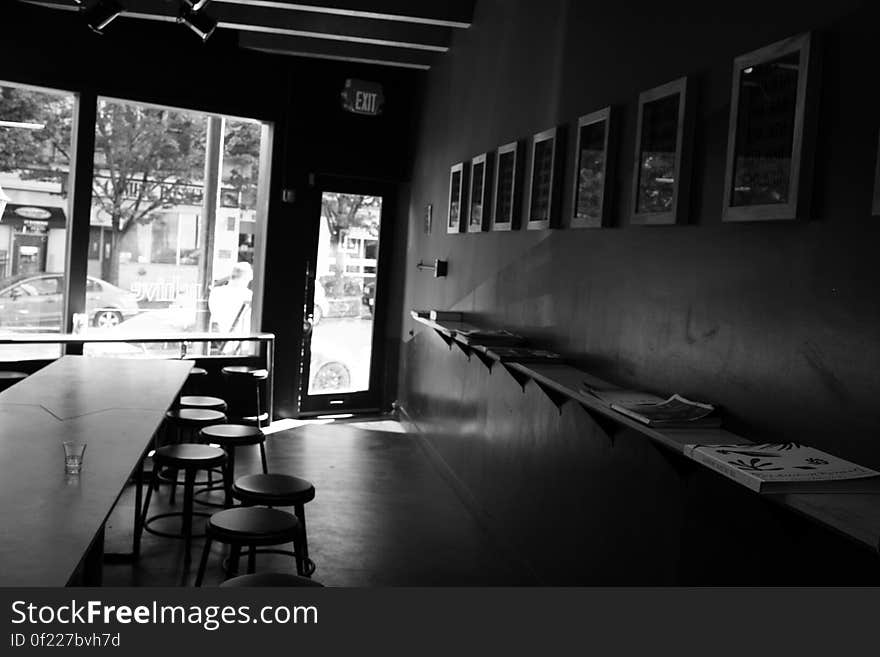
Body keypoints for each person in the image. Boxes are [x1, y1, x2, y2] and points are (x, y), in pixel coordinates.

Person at [208, 261, 253, 334]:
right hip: (241, 337)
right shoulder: (248, 295)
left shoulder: (216, 292)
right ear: (247, 278)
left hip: (219, 337)